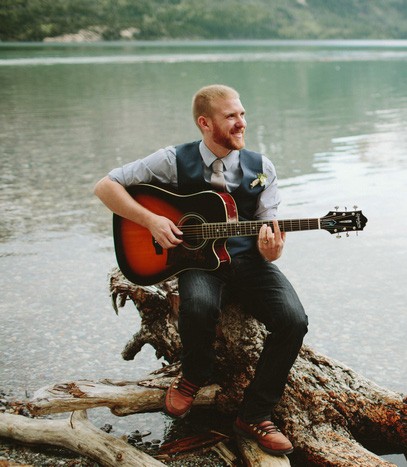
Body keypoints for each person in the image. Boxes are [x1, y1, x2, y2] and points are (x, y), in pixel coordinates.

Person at [94, 84, 308, 456]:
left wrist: (272, 252)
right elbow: (105, 186)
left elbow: (268, 230)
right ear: (205, 123)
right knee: (197, 306)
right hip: (198, 262)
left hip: (248, 260)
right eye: (231, 117)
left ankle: (255, 414)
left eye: (242, 114)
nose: (241, 123)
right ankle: (193, 375)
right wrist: (152, 221)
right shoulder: (171, 160)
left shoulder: (262, 167)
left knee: (294, 321)